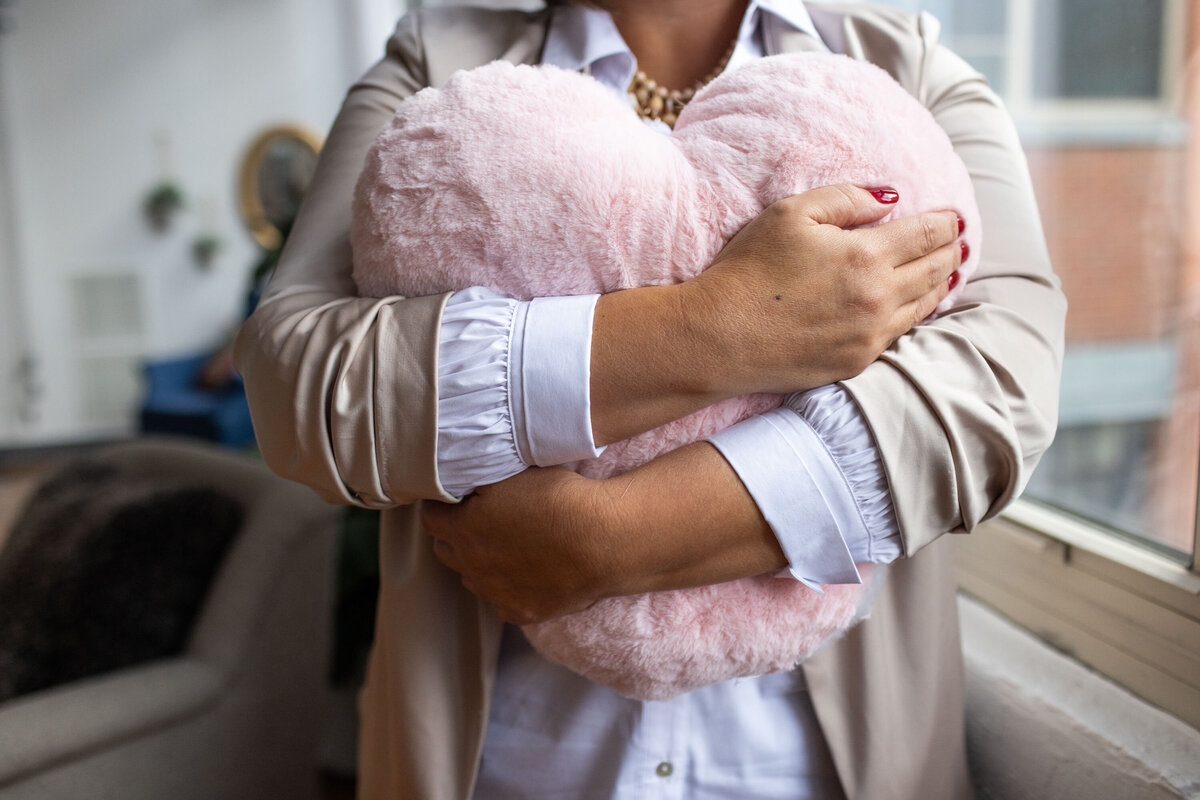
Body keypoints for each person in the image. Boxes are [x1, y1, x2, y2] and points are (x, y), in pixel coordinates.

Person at [233, 1, 1066, 798]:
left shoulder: (906, 65)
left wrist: (613, 545)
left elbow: (1003, 386)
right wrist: (716, 328)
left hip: (820, 765)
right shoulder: (430, 61)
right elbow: (296, 385)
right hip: (506, 762)